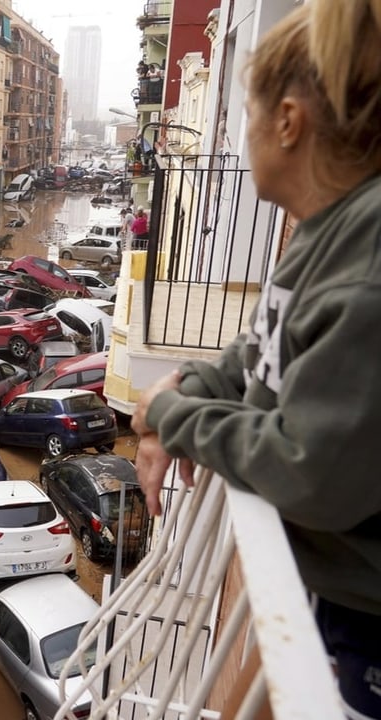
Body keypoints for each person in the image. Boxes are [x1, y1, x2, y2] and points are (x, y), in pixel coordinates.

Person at [130, 1, 381, 717]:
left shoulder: (368, 260)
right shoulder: (326, 228)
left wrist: (173, 413)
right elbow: (259, 345)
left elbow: (312, 470)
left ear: (289, 122)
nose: (241, 132)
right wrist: (193, 383)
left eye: (246, 110)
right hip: (337, 595)